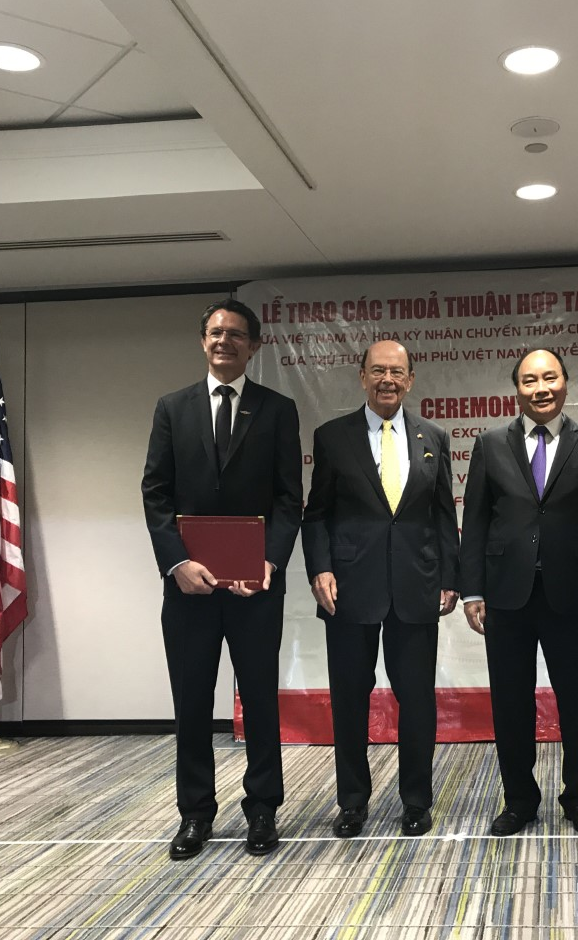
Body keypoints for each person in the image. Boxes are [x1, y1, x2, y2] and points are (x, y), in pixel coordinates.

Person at [142, 298, 302, 860]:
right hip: (188, 590)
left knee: (259, 698)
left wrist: (271, 561)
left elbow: (288, 499)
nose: (224, 341)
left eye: (236, 334)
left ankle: (262, 810)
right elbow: (155, 494)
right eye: (215, 332)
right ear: (202, 340)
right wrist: (177, 563)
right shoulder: (172, 408)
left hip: (255, 588)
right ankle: (194, 814)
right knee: (190, 702)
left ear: (254, 346)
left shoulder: (278, 411)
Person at [460, 348, 578, 837]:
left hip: (573, 596)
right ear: (517, 389)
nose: (541, 388)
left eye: (549, 377)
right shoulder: (489, 445)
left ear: (566, 383)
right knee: (510, 704)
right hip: (506, 596)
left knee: (577, 702)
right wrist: (472, 589)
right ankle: (519, 801)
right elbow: (475, 520)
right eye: (530, 380)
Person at [302, 340, 459, 838]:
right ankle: (351, 802)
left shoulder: (433, 436)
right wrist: (319, 569)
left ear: (411, 379)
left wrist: (451, 578)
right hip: (348, 591)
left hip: (417, 588)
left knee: (416, 700)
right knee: (350, 697)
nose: (387, 379)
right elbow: (317, 515)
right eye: (378, 371)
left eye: (397, 371)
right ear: (362, 376)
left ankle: (416, 801)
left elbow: (441, 515)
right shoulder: (332, 437)